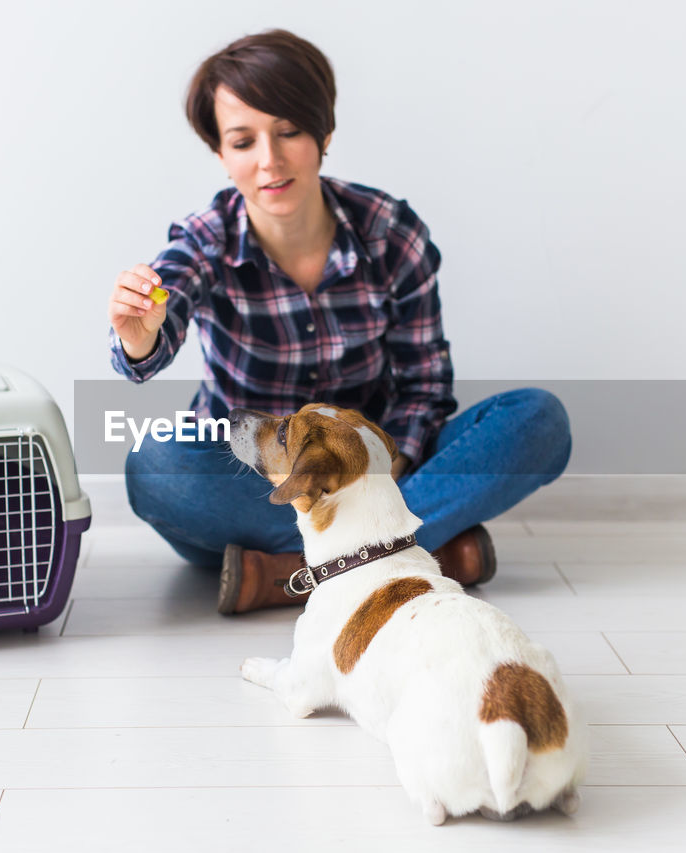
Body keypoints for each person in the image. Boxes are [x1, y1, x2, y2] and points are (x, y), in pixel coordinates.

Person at [107, 29, 571, 614]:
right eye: (243, 141)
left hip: (378, 473)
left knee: (537, 420)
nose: (269, 160)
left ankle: (290, 574)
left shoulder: (390, 232)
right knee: (155, 463)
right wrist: (141, 337)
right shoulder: (205, 241)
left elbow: (426, 386)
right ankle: (409, 554)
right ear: (222, 155)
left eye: (289, 132)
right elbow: (160, 312)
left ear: (324, 134)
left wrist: (389, 471)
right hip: (260, 488)